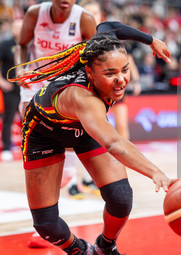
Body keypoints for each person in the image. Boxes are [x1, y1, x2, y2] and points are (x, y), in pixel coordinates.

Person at [8, 21, 173, 255]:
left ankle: (105, 247)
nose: (121, 79)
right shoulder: (83, 98)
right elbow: (114, 143)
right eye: (110, 73)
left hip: (84, 129)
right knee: (46, 226)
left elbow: (108, 25)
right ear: (90, 72)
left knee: (121, 199)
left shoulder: (101, 49)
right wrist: (156, 172)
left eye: (124, 70)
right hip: (43, 134)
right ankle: (80, 250)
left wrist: (151, 40)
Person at [13, 0, 96, 247]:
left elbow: (95, 56)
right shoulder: (34, 14)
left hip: (67, 88)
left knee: (64, 167)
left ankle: (51, 212)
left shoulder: (85, 19)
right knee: (38, 141)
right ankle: (43, 224)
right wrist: (21, 69)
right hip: (37, 82)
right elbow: (22, 44)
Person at [77, 0, 142, 195]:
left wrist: (136, 80)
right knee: (90, 133)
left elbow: (126, 58)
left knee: (122, 127)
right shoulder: (77, 37)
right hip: (93, 92)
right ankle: (87, 178)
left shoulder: (109, 35)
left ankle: (121, 166)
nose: (92, 15)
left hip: (114, 87)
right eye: (88, 13)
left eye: (95, 12)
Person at [0, 19, 23, 161]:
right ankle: (6, 147)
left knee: (30, 117)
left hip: (27, 87)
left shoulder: (31, 43)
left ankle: (31, 146)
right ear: (12, 29)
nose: (19, 30)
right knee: (8, 117)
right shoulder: (6, 44)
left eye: (21, 27)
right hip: (11, 88)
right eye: (16, 27)